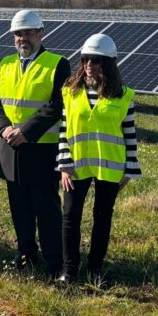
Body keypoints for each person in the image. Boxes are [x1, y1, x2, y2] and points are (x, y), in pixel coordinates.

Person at [0, 9, 71, 278]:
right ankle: (25, 254)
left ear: (40, 33)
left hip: (41, 149)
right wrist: (3, 129)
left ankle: (55, 262)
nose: (23, 38)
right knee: (19, 207)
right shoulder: (5, 64)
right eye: (18, 34)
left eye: (28, 33)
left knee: (46, 209)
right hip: (10, 148)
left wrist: (26, 130)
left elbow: (57, 105)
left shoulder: (57, 64)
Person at [57, 34, 140, 284]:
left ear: (109, 64)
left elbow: (129, 134)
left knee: (102, 218)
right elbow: (64, 129)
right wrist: (64, 164)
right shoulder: (69, 93)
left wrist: (130, 169)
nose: (89, 65)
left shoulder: (124, 96)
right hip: (76, 166)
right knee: (70, 217)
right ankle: (69, 272)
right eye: (85, 60)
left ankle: (95, 270)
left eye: (96, 60)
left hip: (110, 167)